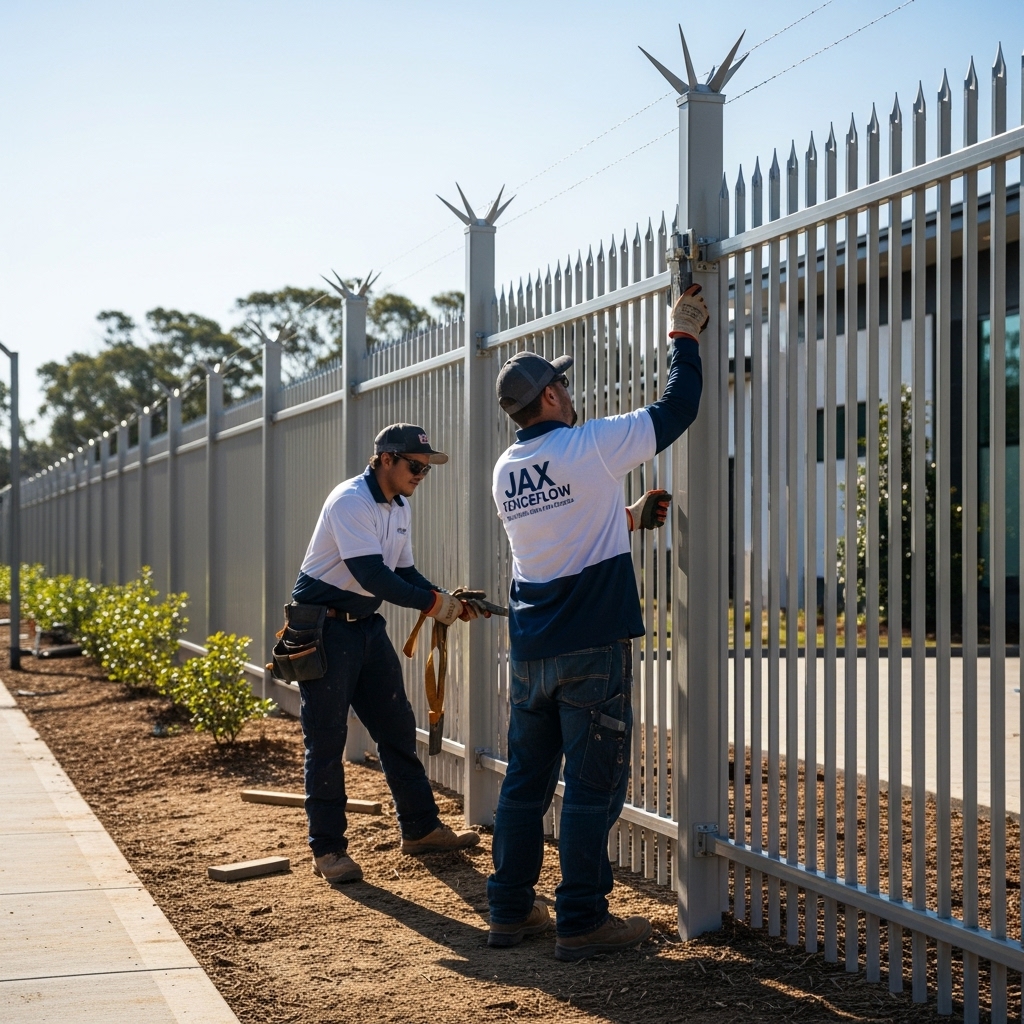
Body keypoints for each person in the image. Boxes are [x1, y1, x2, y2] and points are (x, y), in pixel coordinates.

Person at [486, 285, 708, 959]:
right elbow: (678, 409)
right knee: (590, 788)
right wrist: (684, 335)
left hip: (532, 651)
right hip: (591, 649)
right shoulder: (590, 445)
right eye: (562, 383)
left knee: (525, 787)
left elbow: (563, 533)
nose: (569, 390)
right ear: (550, 396)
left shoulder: (508, 469)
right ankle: (581, 919)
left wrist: (629, 517)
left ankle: (509, 912)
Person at [291, 423, 481, 885]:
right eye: (415, 466)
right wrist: (438, 605)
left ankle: (420, 829)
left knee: (397, 727)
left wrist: (445, 598)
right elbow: (372, 575)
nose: (422, 474)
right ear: (385, 460)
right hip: (324, 627)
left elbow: (404, 572)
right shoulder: (351, 500)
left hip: (364, 628)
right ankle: (328, 849)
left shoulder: (398, 507)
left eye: (426, 467)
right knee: (327, 739)